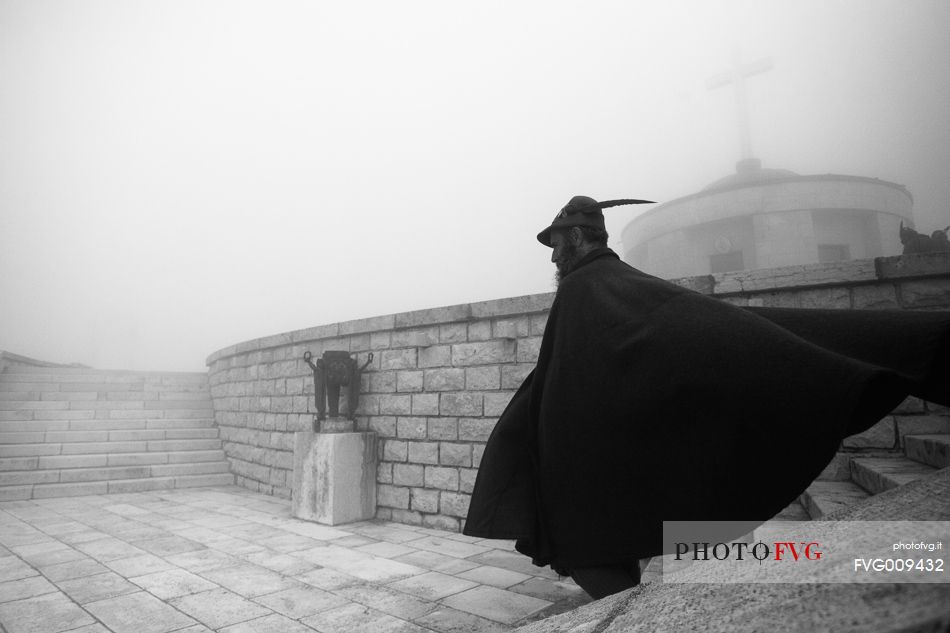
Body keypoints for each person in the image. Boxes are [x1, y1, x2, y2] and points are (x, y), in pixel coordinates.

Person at [462, 195, 950, 600]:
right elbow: (571, 372)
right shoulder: (615, 282)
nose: (551, 257)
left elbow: (665, 340)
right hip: (609, 464)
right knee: (601, 550)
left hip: (597, 472)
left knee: (591, 552)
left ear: (577, 237)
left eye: (555, 244)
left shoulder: (586, 288)